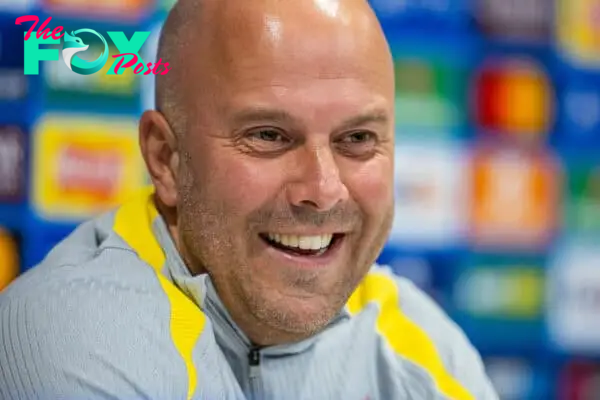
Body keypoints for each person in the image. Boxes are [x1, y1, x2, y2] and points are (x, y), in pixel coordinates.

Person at [0, 0, 499, 399]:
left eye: (357, 139)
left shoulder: (422, 344)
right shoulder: (79, 335)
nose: (323, 190)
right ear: (166, 158)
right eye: (268, 135)